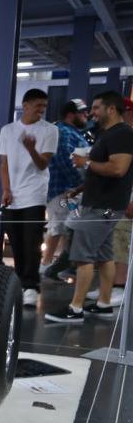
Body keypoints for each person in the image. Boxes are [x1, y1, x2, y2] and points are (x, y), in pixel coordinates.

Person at [46, 92, 133, 323]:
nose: (92, 112)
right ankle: (104, 303)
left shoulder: (122, 134)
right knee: (105, 256)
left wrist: (87, 162)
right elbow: (103, 170)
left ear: (111, 109)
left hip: (103, 206)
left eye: (95, 108)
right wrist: (77, 190)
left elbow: (118, 169)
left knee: (82, 256)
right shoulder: (109, 134)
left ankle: (75, 309)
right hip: (102, 203)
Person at [0, 88, 57, 307]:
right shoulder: (8, 130)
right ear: (26, 105)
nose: (41, 110)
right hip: (12, 194)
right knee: (16, 240)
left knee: (32, 241)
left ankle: (31, 285)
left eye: (44, 106)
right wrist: (6, 189)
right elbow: (4, 164)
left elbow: (43, 164)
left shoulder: (49, 130)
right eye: (38, 105)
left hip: (35, 193)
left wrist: (31, 149)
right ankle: (20, 281)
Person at [40, 99, 90, 273]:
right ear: (71, 114)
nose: (87, 115)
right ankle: (46, 265)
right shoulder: (65, 132)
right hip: (64, 191)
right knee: (58, 226)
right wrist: (82, 184)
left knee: (65, 227)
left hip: (65, 191)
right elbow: (64, 160)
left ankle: (60, 265)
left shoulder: (68, 131)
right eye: (83, 112)